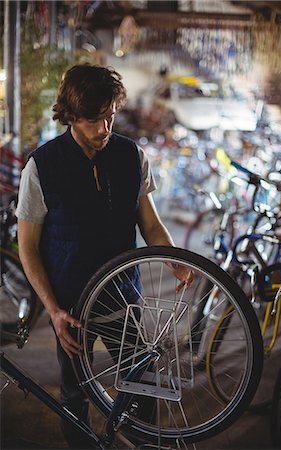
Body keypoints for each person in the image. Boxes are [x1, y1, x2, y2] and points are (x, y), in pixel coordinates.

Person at [16, 64, 192, 448]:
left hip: (123, 301)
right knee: (75, 398)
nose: (104, 129)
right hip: (71, 309)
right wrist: (52, 309)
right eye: (95, 120)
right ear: (72, 115)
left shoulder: (132, 157)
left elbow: (151, 224)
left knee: (142, 392)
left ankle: (136, 440)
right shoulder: (41, 167)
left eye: (110, 117)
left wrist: (175, 260)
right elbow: (26, 248)